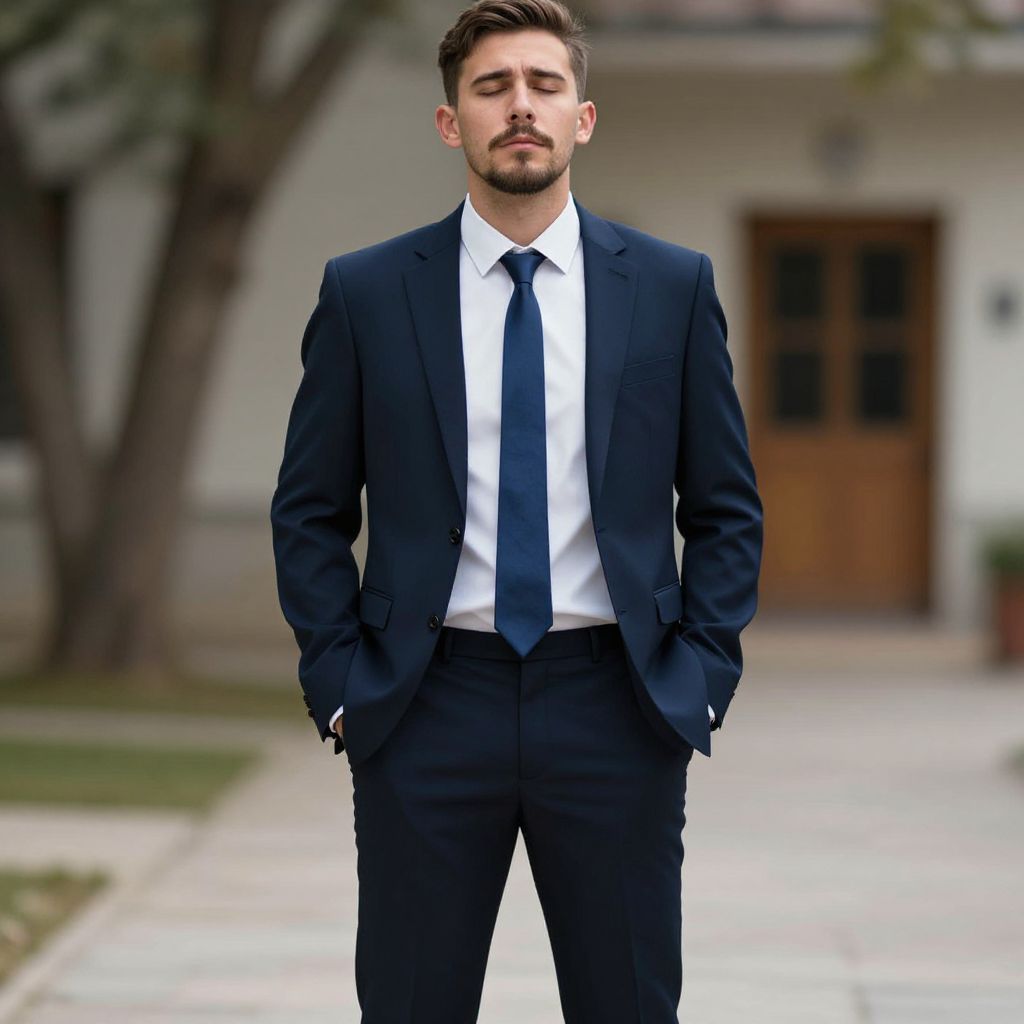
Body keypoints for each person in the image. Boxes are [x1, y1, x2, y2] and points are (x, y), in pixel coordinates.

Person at [270, 0, 763, 1020]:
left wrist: (701, 678)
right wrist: (341, 681)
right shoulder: (367, 293)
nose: (521, 106)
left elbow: (725, 508)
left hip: (616, 703)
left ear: (584, 116)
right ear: (451, 121)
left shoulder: (670, 288)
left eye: (544, 84)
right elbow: (308, 509)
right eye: (492, 87)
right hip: (425, 704)